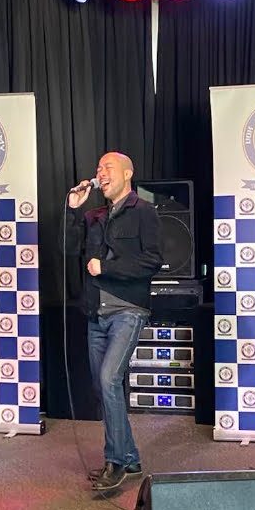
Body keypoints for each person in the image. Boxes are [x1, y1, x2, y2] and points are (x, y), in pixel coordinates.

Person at [65, 152, 163, 491]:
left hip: (128, 310)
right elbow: (68, 249)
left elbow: (152, 261)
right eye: (98, 168)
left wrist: (106, 268)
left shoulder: (144, 212)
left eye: (107, 167)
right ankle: (131, 457)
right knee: (103, 386)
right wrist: (74, 210)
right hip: (96, 313)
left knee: (109, 379)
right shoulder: (93, 216)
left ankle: (115, 462)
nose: (100, 173)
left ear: (127, 173)